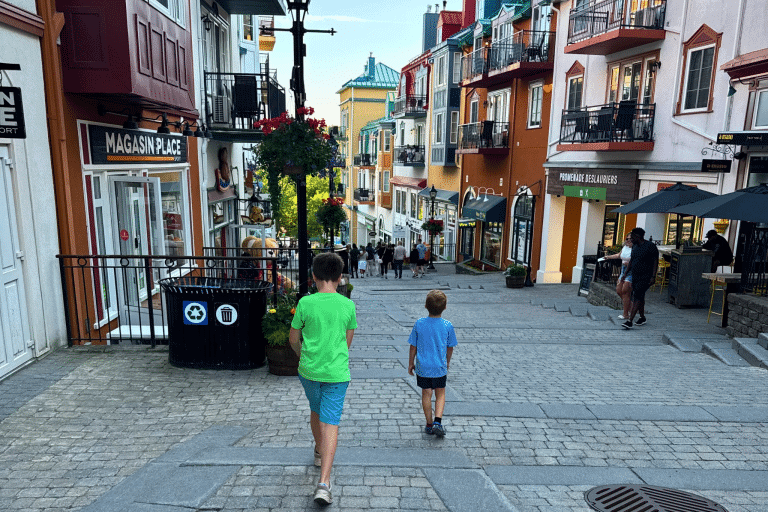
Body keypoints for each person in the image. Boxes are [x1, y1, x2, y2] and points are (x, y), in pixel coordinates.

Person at [289, 252, 357, 506]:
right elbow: (347, 341)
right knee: (331, 422)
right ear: (340, 278)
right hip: (337, 372)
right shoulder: (348, 305)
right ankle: (324, 483)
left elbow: (293, 339)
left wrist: (302, 356)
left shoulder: (305, 304)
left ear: (313, 277)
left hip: (309, 371)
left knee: (316, 410)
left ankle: (319, 449)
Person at [407, 290, 457, 437]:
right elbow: (450, 347)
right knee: (440, 393)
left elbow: (413, 346)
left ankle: (429, 424)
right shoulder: (448, 326)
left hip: (423, 367)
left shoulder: (419, 324)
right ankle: (438, 422)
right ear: (445, 307)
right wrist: (447, 362)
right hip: (439, 367)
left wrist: (411, 363)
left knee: (426, 394)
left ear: (425, 306)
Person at [622, 227, 659, 329]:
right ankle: (642, 317)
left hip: (646, 276)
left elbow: (655, 262)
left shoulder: (650, 246)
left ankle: (630, 321)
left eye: (632, 236)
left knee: (637, 296)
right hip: (635, 275)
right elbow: (632, 261)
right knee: (640, 296)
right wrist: (625, 273)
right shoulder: (635, 246)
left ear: (638, 236)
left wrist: (653, 276)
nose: (631, 239)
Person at [598, 234, 633, 319]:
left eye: (630, 239)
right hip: (623, 270)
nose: (628, 240)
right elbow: (618, 255)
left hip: (631, 270)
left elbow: (638, 261)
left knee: (625, 291)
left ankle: (625, 314)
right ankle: (631, 307)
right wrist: (608, 257)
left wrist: (630, 263)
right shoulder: (625, 247)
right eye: (627, 238)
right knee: (618, 290)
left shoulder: (636, 248)